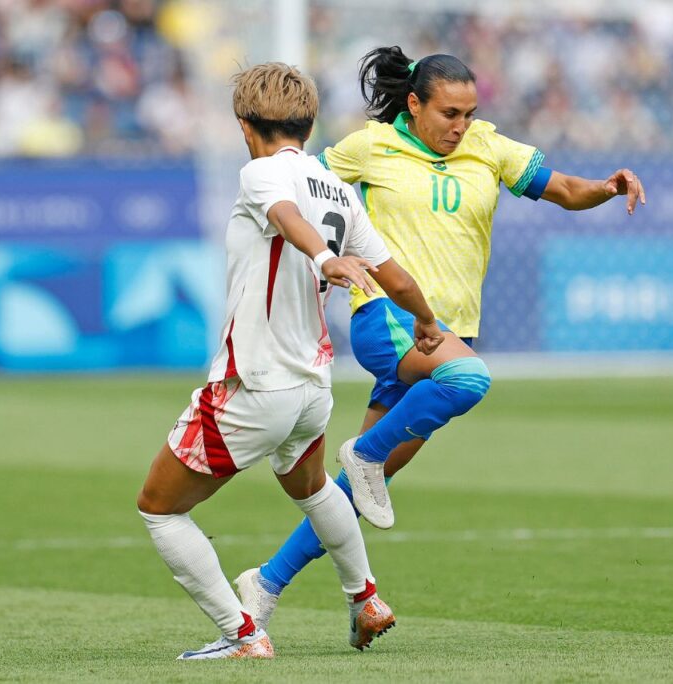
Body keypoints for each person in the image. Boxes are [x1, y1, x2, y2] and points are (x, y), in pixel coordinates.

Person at [235, 46, 646, 632]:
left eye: (469, 113)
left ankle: (272, 585)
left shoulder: (490, 148)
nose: (461, 126)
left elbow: (563, 189)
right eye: (449, 113)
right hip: (387, 317)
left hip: (444, 333)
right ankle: (367, 455)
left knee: (348, 493)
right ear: (413, 104)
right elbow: (297, 182)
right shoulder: (369, 147)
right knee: (469, 378)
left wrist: (607, 187)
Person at [135, 62, 444, 660]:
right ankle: (365, 598)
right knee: (311, 486)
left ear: (244, 126)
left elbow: (286, 218)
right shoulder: (337, 187)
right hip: (312, 386)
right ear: (310, 122)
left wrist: (323, 258)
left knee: (159, 508)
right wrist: (426, 320)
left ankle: (242, 635)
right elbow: (393, 275)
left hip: (254, 384)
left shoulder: (259, 173)